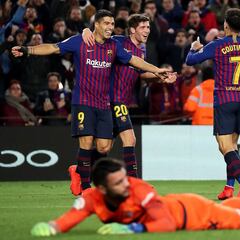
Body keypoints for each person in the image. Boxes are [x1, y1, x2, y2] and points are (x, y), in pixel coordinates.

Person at [11, 9, 171, 196]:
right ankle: (87, 188)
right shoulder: (83, 41)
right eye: (106, 24)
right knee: (88, 142)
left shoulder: (114, 45)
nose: (110, 27)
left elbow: (134, 61)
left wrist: (158, 71)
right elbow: (53, 47)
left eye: (112, 24)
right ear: (96, 25)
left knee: (104, 147)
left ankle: (79, 170)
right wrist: (27, 50)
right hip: (84, 100)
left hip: (104, 103)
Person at [30, 158, 240, 237]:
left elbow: (163, 222)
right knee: (230, 209)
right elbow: (72, 216)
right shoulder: (91, 197)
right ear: (102, 188)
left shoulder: (141, 189)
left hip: (193, 213)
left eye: (125, 178)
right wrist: (53, 227)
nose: (127, 184)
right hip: (189, 206)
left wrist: (134, 229)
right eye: (119, 182)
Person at [81, 14, 176, 178]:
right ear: (132, 30)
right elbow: (99, 35)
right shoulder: (118, 41)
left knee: (104, 147)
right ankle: (134, 183)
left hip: (122, 100)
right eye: (143, 27)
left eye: (148, 27)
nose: (147, 30)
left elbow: (141, 74)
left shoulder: (142, 50)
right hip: (111, 99)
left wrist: (160, 77)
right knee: (130, 140)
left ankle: (79, 170)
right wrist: (85, 30)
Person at [185, 8, 240, 199]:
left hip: (225, 99)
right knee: (230, 145)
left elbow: (190, 61)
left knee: (224, 146)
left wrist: (194, 47)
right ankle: (228, 188)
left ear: (225, 24)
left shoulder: (217, 45)